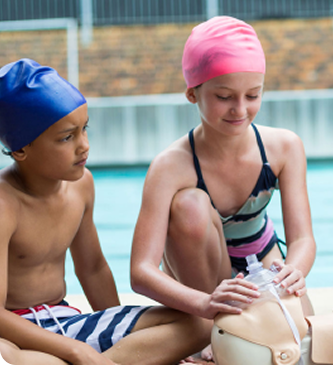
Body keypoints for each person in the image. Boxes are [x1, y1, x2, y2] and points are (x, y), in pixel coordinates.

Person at [0, 58, 210, 365]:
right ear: (20, 149)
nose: (84, 146)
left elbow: (93, 269)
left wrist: (118, 331)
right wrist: (77, 351)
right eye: (66, 138)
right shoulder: (5, 205)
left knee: (201, 323)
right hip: (15, 333)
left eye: (84, 130)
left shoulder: (81, 186)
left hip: (64, 321)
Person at [129, 16, 316, 360]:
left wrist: (295, 271)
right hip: (196, 273)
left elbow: (302, 239)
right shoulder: (170, 167)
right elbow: (141, 271)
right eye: (224, 96)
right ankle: (206, 330)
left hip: (260, 257)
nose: (240, 109)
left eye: (253, 95)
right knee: (191, 206)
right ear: (192, 93)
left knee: (304, 339)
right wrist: (204, 303)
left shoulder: (283, 148)